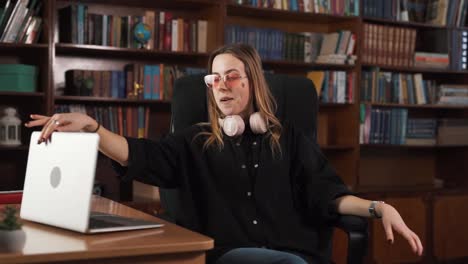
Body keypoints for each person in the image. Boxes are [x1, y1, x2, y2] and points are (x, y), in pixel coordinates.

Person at [26, 43, 423, 264]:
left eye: (232, 76)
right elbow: (140, 154)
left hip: (291, 254)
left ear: (254, 83)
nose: (221, 86)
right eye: (214, 78)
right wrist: (95, 129)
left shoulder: (289, 140)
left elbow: (327, 193)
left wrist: (378, 208)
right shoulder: (194, 141)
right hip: (228, 257)